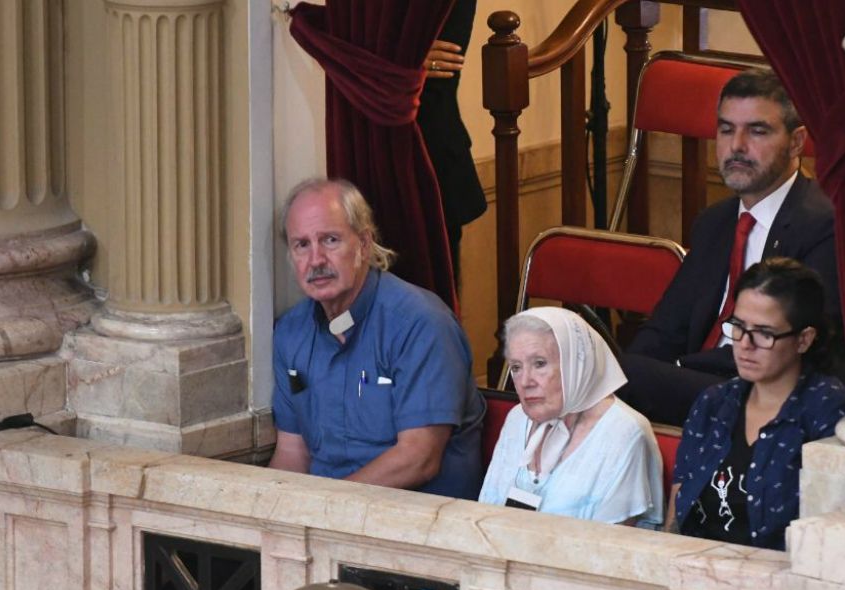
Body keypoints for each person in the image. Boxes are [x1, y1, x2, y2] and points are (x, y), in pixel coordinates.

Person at [619, 69, 845, 426]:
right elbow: (666, 328)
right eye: (726, 129)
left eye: (757, 131)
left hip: (767, 395)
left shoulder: (823, 224)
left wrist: (657, 373)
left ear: (797, 142)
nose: (736, 146)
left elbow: (799, 352)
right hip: (705, 384)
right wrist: (615, 379)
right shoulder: (715, 222)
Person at [269, 178, 485, 499]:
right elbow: (292, 453)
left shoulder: (420, 323)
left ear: (364, 244)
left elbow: (419, 459)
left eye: (330, 240)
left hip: (417, 525)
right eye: (302, 245)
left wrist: (326, 508)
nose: (315, 260)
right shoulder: (291, 332)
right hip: (326, 523)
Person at [667, 258, 845, 550]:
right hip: (696, 571)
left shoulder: (829, 411)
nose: (745, 344)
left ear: (804, 340)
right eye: (739, 327)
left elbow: (833, 535)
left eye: (764, 333)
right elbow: (678, 510)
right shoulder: (714, 403)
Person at [479, 307, 664, 527]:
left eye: (540, 364)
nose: (525, 381)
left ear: (576, 363)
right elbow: (486, 512)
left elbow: (608, 549)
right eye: (516, 367)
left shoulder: (623, 432)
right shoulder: (517, 418)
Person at [419, 0, 487, 284]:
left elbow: (441, 69)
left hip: (432, 157)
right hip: (368, 159)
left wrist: (395, 64)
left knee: (435, 311)